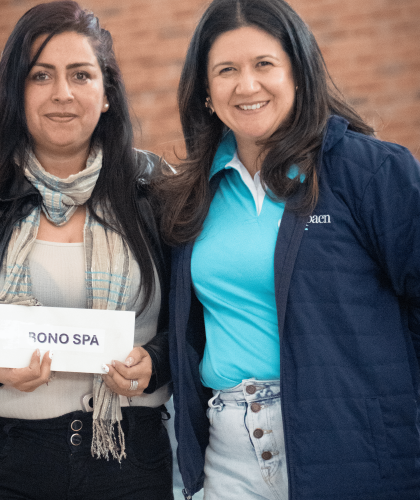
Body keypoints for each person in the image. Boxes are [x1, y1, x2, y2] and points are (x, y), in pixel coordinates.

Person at [157, 0, 420, 498]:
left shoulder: (370, 172)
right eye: (226, 70)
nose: (247, 85)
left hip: (352, 445)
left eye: (264, 64)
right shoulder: (190, 195)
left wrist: (389, 406)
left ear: (299, 73)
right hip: (230, 453)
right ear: (206, 92)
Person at [0, 2, 173, 499]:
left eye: (81, 74)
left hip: (131, 455)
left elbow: (197, 313)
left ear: (106, 94)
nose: (62, 93)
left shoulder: (154, 188)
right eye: (41, 75)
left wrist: (155, 362)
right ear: (17, 92)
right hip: (6, 456)